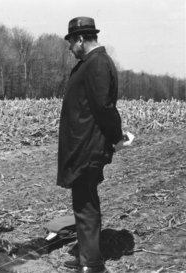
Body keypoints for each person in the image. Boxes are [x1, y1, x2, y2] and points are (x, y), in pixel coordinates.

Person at [57, 17, 131, 273]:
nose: (69, 48)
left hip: (87, 147)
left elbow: (103, 107)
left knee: (86, 203)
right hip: (82, 146)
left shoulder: (97, 63)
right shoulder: (89, 63)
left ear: (80, 39)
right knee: (83, 202)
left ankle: (93, 263)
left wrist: (117, 138)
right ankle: (86, 257)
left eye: (71, 42)